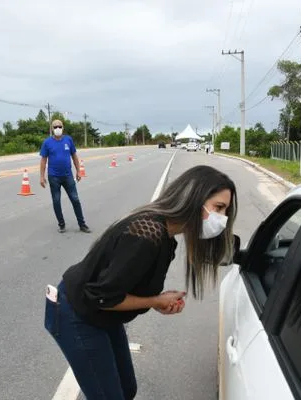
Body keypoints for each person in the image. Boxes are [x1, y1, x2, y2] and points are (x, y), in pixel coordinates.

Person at [43, 165, 238, 399]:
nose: (222, 218)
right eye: (219, 208)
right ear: (194, 199)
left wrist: (156, 302)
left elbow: (120, 287)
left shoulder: (167, 236)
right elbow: (103, 297)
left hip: (101, 313)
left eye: (225, 211)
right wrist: (156, 300)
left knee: (126, 390)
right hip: (78, 314)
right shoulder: (148, 234)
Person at [40, 119, 91, 233]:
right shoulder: (47, 143)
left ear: (63, 128)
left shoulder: (68, 140)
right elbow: (43, 160)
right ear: (52, 129)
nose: (57, 128)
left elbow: (74, 156)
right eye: (55, 127)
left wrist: (78, 171)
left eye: (59, 126)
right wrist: (41, 177)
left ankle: (82, 224)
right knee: (56, 201)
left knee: (75, 199)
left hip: (68, 175)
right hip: (54, 177)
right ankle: (61, 224)